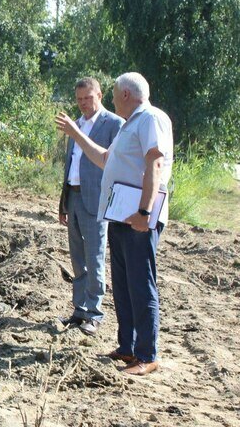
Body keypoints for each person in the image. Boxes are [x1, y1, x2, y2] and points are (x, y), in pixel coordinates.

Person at [55, 72, 173, 376]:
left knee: (140, 284)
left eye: (112, 92)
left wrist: (144, 213)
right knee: (123, 284)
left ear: (124, 95)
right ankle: (128, 347)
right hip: (121, 216)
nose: (110, 97)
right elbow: (105, 158)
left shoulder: (150, 118)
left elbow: (155, 163)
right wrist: (76, 134)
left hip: (137, 219)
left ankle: (147, 355)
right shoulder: (131, 124)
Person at [58, 78, 124, 337]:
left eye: (88, 98)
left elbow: (113, 163)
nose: (84, 103)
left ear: (100, 95)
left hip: (96, 199)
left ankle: (94, 313)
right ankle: (80, 309)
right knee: (77, 256)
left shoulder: (114, 124)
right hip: (73, 196)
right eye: (79, 99)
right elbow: (71, 165)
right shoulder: (78, 123)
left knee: (94, 256)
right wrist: (63, 201)